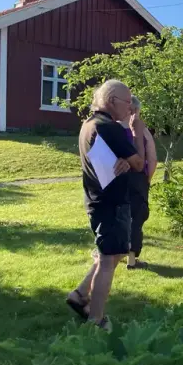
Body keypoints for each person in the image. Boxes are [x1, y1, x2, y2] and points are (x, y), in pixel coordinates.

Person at [66, 80, 146, 331]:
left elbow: (124, 161)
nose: (130, 108)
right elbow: (139, 164)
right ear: (112, 101)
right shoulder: (109, 127)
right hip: (110, 203)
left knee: (115, 253)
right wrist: (137, 131)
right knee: (108, 260)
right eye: (127, 102)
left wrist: (124, 159)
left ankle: (80, 294)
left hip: (97, 199)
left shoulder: (89, 124)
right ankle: (96, 320)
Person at [122, 96, 158, 270]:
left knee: (119, 215)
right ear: (135, 110)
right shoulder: (142, 130)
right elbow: (152, 158)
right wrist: (147, 179)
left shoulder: (113, 127)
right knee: (136, 217)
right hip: (138, 178)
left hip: (117, 176)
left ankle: (112, 253)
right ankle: (131, 259)